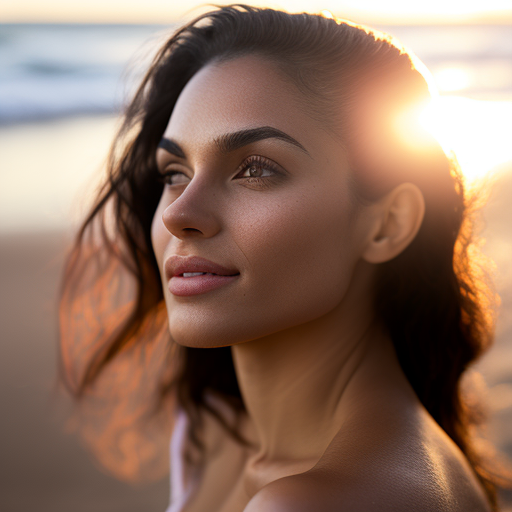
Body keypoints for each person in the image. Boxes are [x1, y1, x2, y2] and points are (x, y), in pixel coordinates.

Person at [59, 5, 507, 511]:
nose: (178, 214)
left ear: (388, 224)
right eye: (174, 172)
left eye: (255, 168)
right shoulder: (218, 426)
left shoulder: (318, 501)